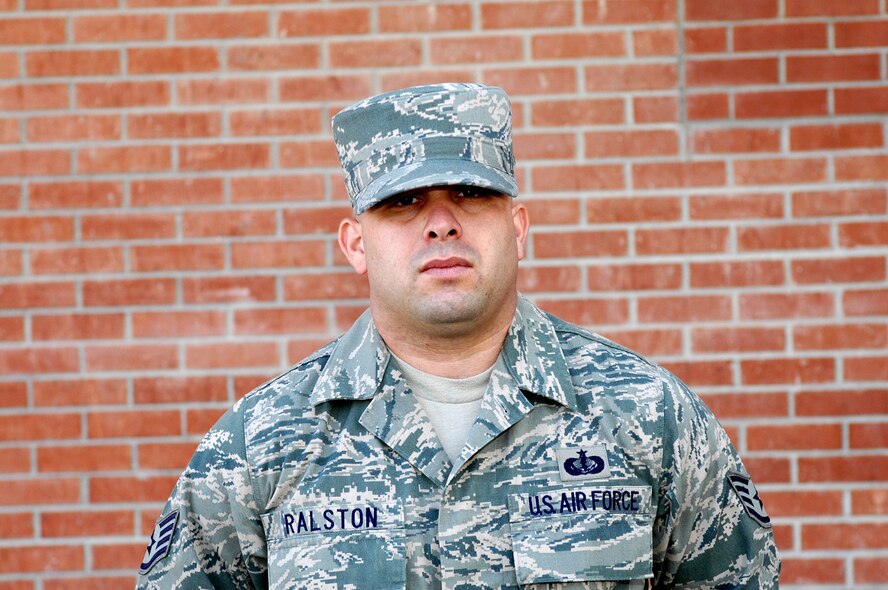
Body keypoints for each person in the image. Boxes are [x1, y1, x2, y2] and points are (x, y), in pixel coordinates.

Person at [136, 83, 780, 589]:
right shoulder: (261, 444)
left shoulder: (647, 415)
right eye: (402, 203)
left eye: (471, 193)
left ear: (519, 227)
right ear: (356, 244)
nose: (441, 223)